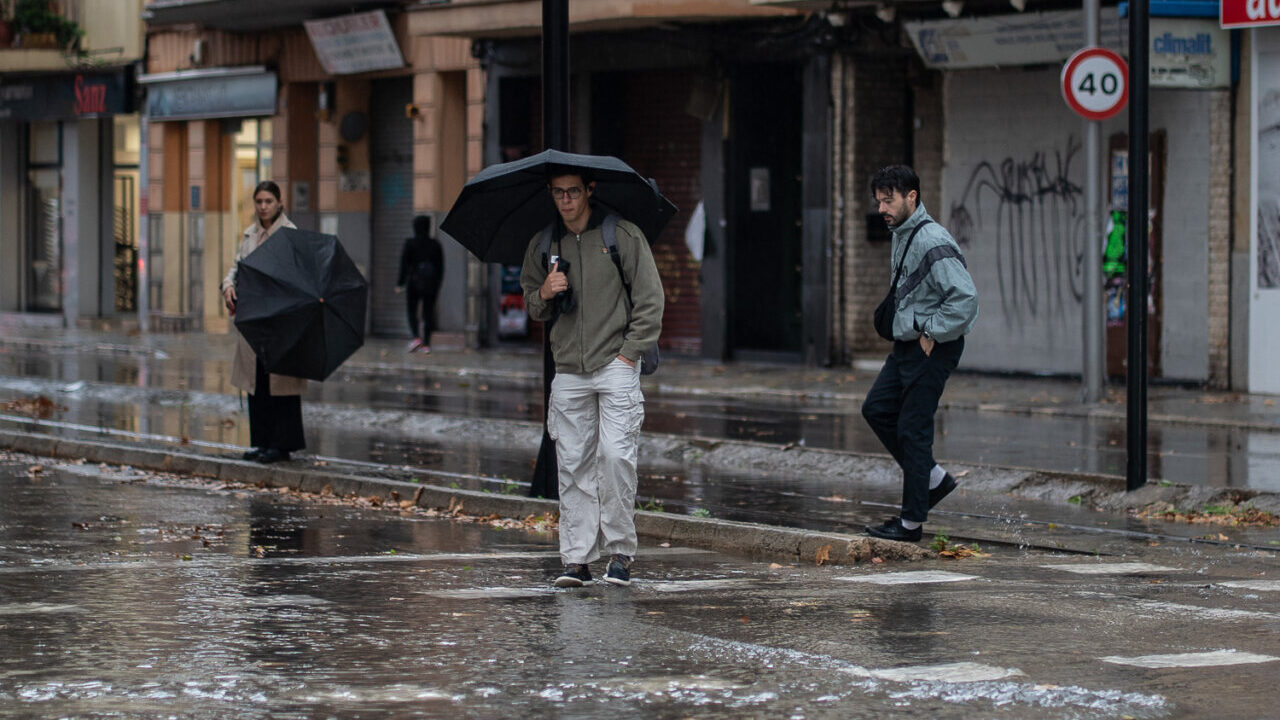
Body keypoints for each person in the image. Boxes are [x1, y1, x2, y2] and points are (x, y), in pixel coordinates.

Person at [520, 166, 664, 588]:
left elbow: (650, 300)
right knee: (573, 465)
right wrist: (545, 292)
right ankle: (577, 560)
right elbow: (533, 305)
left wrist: (628, 355)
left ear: (589, 191)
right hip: (568, 370)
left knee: (616, 458)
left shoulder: (621, 235)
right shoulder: (544, 244)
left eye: (573, 192)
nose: (565, 200)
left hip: (616, 365)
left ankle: (620, 552)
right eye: (558, 193)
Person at [861, 165, 978, 542]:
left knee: (913, 430)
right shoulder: (902, 232)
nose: (882, 208)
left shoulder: (931, 239)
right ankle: (933, 478)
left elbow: (966, 299)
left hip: (931, 346)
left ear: (912, 197)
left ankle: (910, 524)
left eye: (888, 200)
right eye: (879, 201)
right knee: (876, 408)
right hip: (907, 345)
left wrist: (931, 331)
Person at [219, 181, 307, 465]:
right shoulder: (249, 235)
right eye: (259, 201)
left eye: (269, 201)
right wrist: (228, 285)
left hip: (280, 321)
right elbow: (237, 267)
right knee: (256, 382)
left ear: (279, 203)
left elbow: (295, 276)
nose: (263, 206)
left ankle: (282, 445)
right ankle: (262, 441)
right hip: (253, 320)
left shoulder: (289, 234)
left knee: (279, 384)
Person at [397, 215, 444, 353]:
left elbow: (404, 265)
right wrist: (437, 284)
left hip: (414, 283)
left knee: (412, 311)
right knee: (428, 313)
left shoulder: (410, 243)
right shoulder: (435, 245)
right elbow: (440, 267)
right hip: (431, 285)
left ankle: (416, 337)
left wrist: (400, 283)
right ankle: (426, 344)